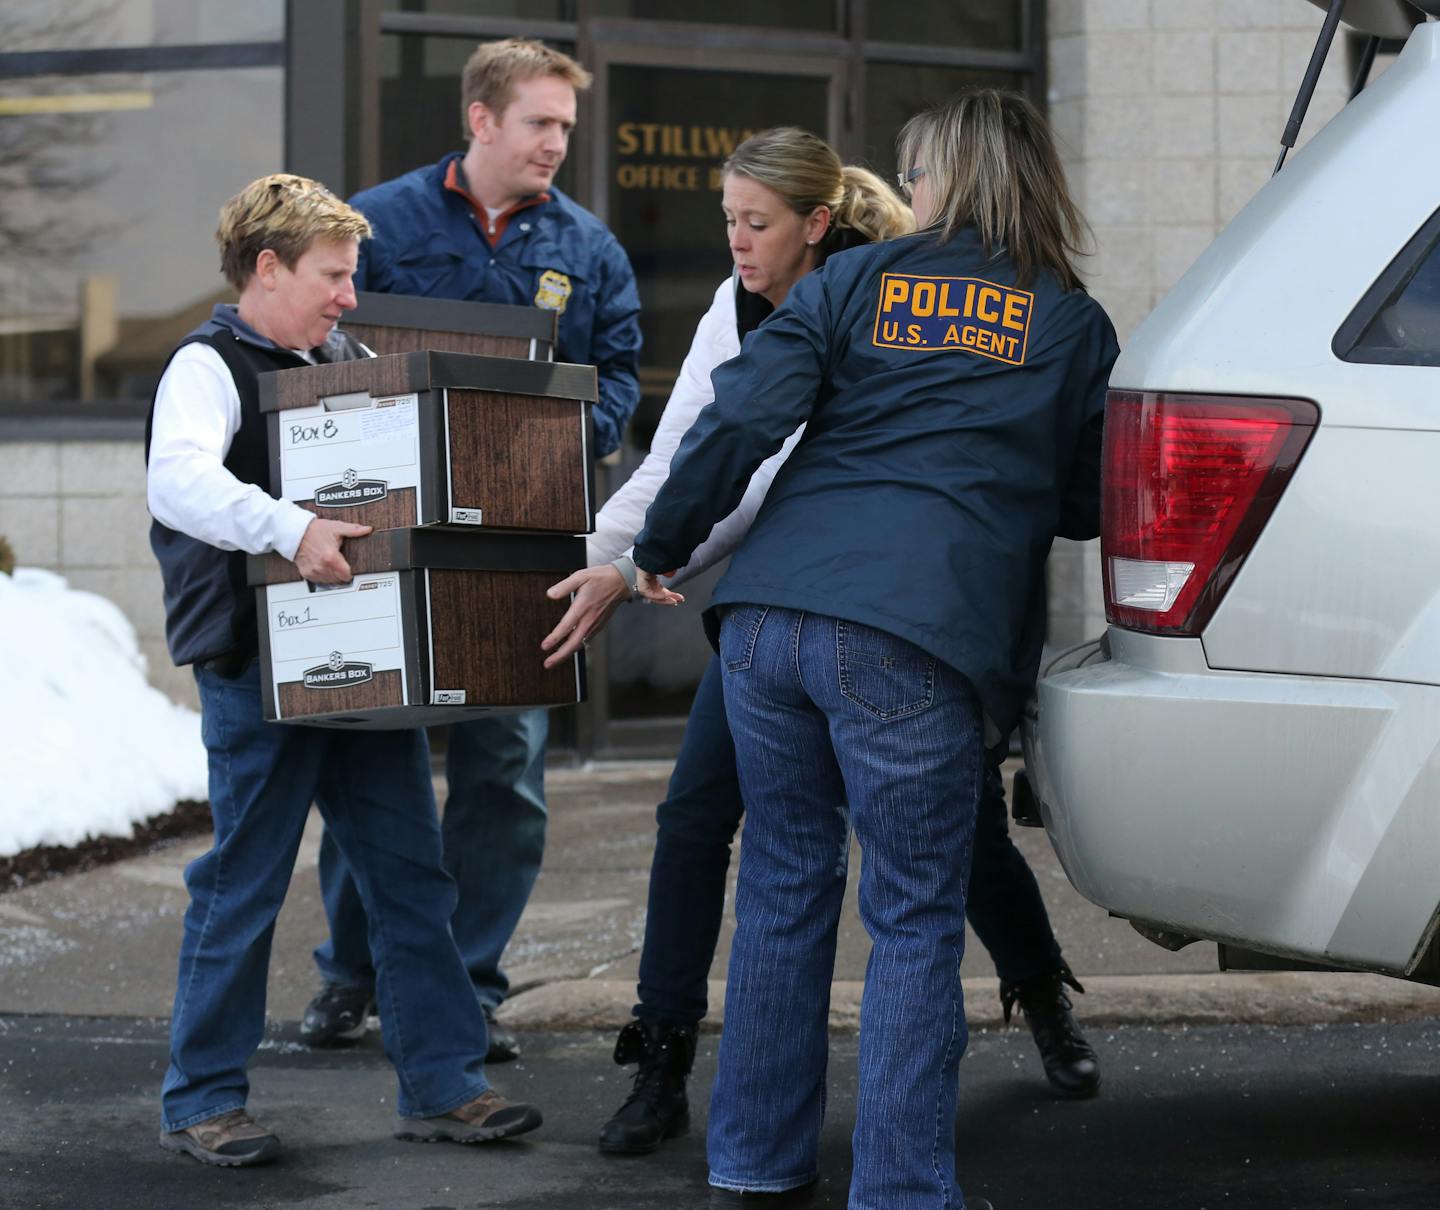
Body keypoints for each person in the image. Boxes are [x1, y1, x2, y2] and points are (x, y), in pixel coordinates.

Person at [544, 125, 1099, 1160]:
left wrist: (655, 556)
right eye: (728, 222)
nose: (737, 242)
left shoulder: (856, 283)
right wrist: (632, 557)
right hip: (908, 624)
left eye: (754, 223)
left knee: (794, 889)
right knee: (905, 906)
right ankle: (874, 1173)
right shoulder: (1066, 315)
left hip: (771, 613)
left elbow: (733, 432)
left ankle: (757, 1156)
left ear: (817, 220)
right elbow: (1083, 495)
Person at [146, 173, 542, 1168]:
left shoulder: (341, 356)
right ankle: (202, 1100)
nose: (349, 296)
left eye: (353, 275)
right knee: (244, 882)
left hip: (369, 666)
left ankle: (444, 1085)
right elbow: (180, 479)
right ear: (268, 269)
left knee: (410, 874)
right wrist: (294, 529)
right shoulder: (205, 366)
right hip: (257, 671)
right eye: (333, 274)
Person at [301, 38, 642, 1062]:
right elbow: (327, 348)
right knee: (374, 755)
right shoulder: (377, 224)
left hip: (527, 542)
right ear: (481, 119)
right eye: (540, 122)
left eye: (566, 129)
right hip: (391, 533)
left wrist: (556, 443)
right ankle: (353, 974)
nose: (556, 144)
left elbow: (617, 373)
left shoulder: (587, 249)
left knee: (507, 767)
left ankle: (470, 980)